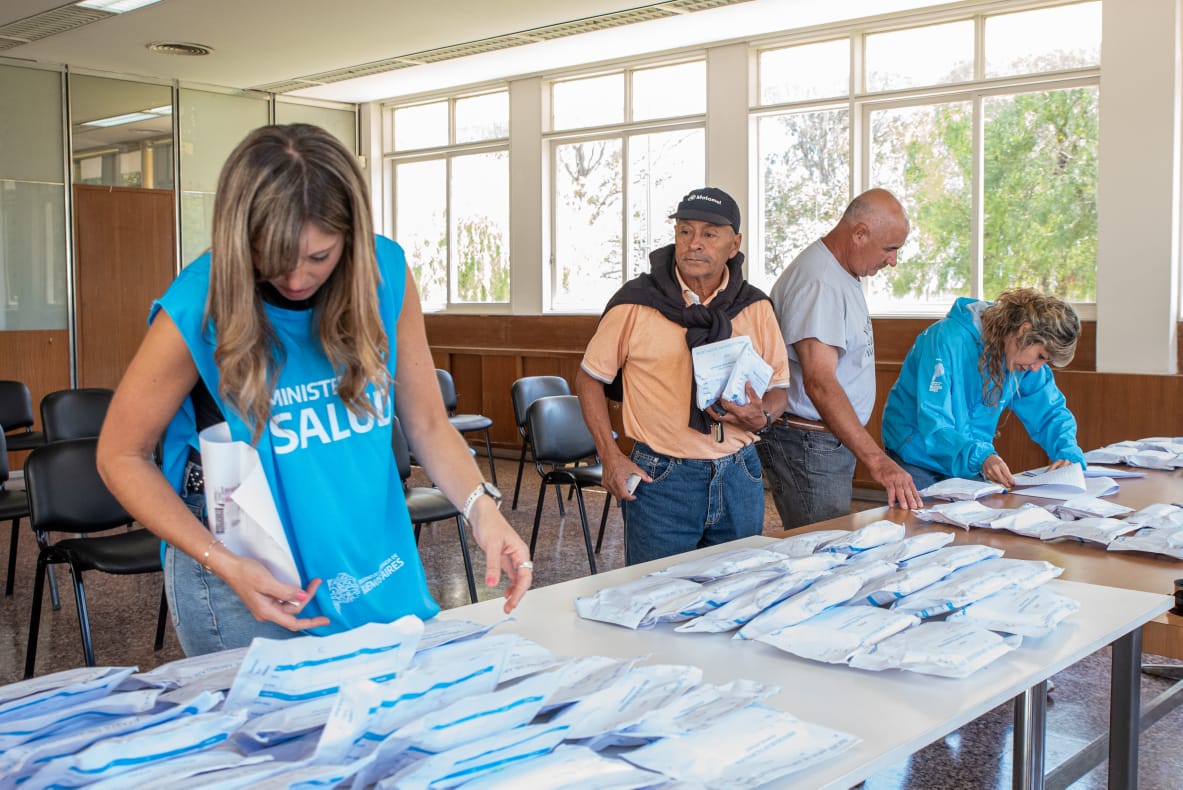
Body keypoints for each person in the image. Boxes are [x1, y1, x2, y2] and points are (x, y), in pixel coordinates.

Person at [96, 124, 532, 656]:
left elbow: (425, 422)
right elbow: (121, 455)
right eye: (274, 258)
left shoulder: (385, 273)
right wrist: (223, 562)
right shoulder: (198, 304)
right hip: (247, 571)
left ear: (349, 236)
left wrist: (482, 510)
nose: (297, 278)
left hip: (368, 558)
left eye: (319, 257)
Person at [575, 187, 790, 565]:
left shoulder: (754, 306)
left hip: (740, 474)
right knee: (654, 598)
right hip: (660, 477)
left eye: (710, 234)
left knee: (735, 595)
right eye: (685, 231)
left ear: (734, 243)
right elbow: (589, 378)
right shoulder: (636, 302)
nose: (694, 244)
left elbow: (778, 388)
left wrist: (764, 416)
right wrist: (609, 457)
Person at [758, 189, 923, 530]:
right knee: (823, 547)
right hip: (809, 443)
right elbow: (819, 382)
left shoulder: (840, 272)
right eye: (889, 248)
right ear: (859, 233)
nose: (893, 260)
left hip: (825, 439)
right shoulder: (820, 282)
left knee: (829, 542)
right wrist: (876, 460)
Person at [881, 287, 1084, 490]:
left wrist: (1067, 451)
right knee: (921, 518)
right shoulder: (946, 338)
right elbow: (934, 421)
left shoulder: (1021, 357)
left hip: (966, 456)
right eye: (1040, 356)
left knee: (982, 514)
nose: (1036, 367)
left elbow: (1050, 412)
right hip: (916, 451)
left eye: (1046, 362)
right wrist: (980, 456)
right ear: (1025, 331)